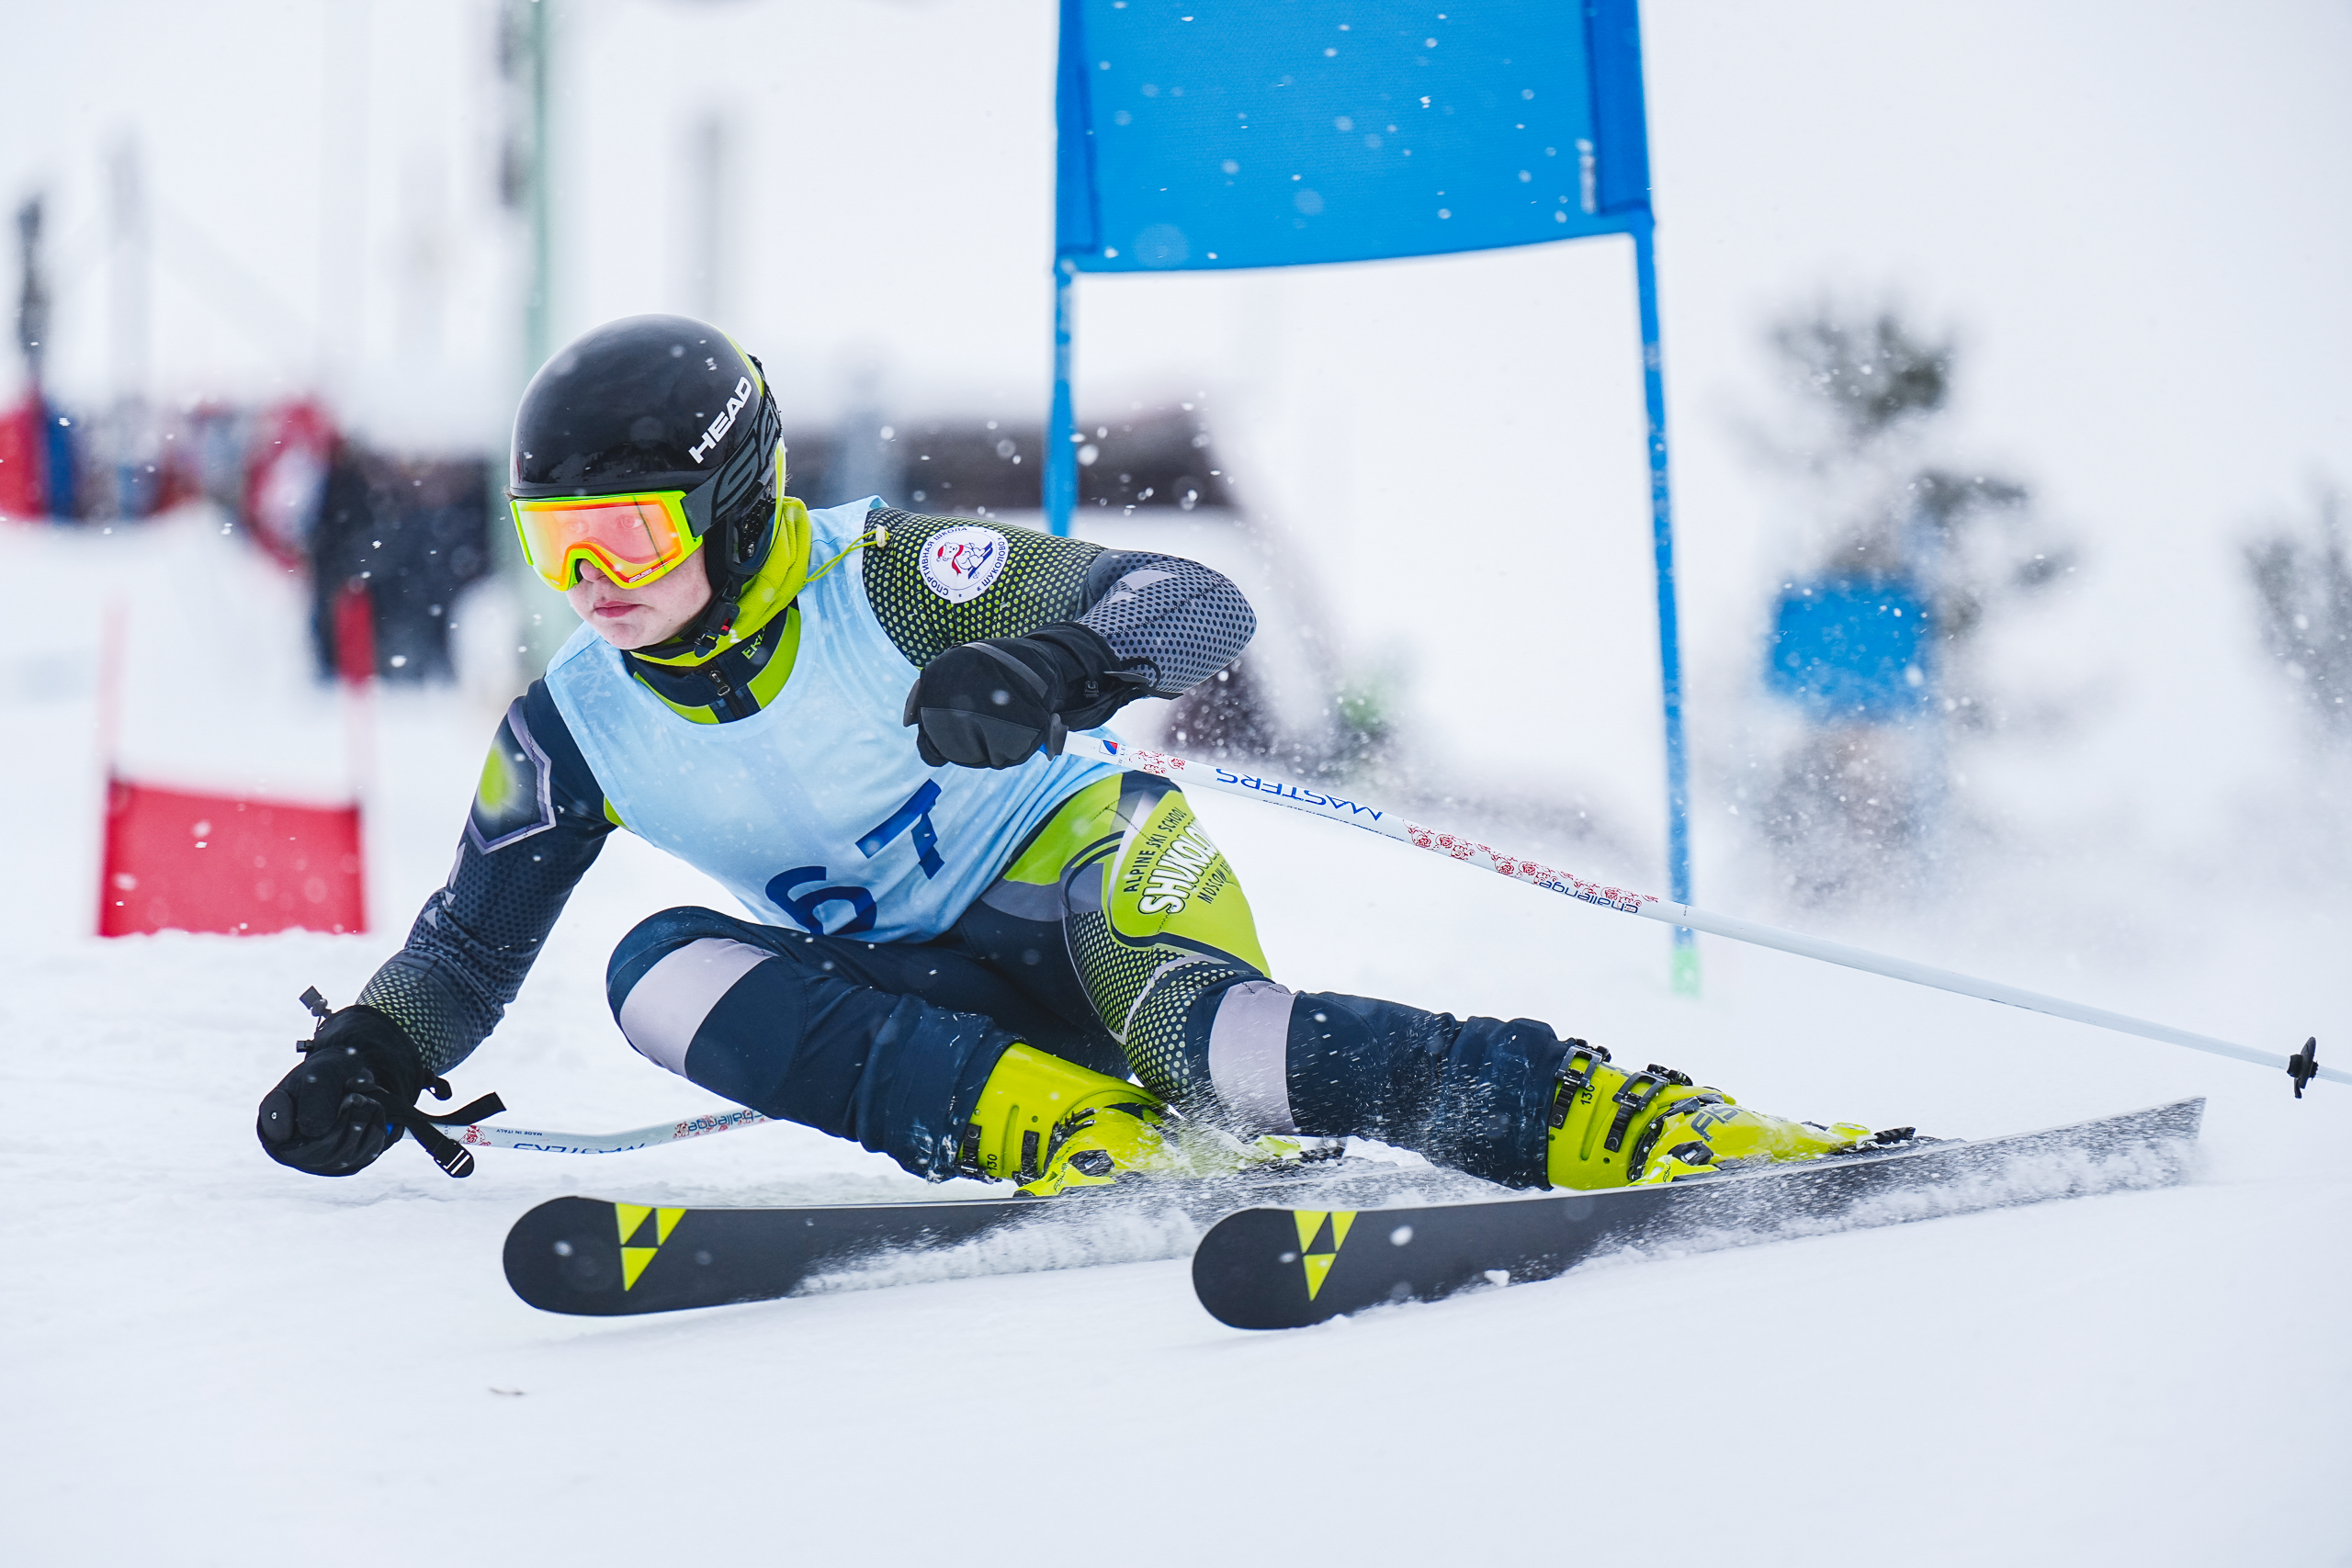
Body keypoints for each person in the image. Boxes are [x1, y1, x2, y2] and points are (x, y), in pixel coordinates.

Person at [256, 314, 1883, 1196]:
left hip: (1086, 882)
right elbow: (474, 939)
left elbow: (1199, 603)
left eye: (624, 534)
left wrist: (1055, 661)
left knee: (1212, 1044)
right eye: (558, 548)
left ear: (733, 499)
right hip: (917, 999)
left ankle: (1620, 1121)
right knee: (654, 970)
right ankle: (1072, 1135)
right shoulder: (573, 719)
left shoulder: (884, 572)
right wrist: (385, 1051)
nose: (595, 587)